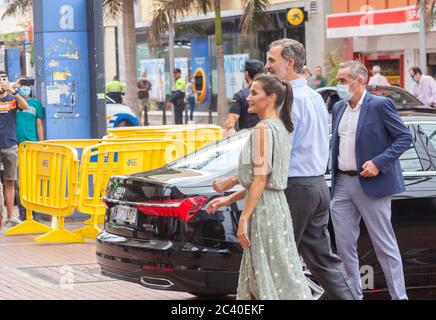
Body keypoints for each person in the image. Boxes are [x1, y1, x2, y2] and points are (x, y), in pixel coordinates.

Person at [213, 39, 357, 300]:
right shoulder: (315, 98)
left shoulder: (285, 104)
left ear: (289, 63)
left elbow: (270, 160)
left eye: (272, 60)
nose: (267, 66)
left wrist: (232, 187)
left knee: (275, 264)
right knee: (320, 259)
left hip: (293, 190)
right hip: (317, 187)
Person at [206, 74, 312, 300]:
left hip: (264, 213)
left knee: (266, 279)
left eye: (254, 93)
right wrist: (227, 198)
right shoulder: (281, 127)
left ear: (271, 98)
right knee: (272, 276)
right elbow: (260, 180)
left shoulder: (263, 129)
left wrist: (243, 218)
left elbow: (261, 179)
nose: (248, 98)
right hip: (275, 208)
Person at [331, 61, 412, 300]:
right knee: (344, 248)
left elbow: (404, 137)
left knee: (384, 246)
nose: (339, 85)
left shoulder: (379, 105)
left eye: (343, 80)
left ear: (360, 81)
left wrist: (379, 162)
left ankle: (399, 297)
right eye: (338, 80)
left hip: (372, 185)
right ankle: (353, 297)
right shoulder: (338, 107)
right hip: (342, 185)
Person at [14, 79, 45, 222]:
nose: (24, 88)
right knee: (19, 181)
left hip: (32, 146)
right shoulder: (14, 101)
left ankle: (35, 213)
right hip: (17, 145)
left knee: (33, 179)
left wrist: (42, 143)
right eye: (22, 86)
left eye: (26, 86)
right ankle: (23, 213)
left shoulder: (36, 104)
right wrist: (14, 88)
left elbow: (39, 125)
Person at [0, 77, 29, 227]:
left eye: (4, 80)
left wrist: (14, 91)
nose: (2, 83)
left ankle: (11, 216)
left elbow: (25, 106)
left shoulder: (12, 98)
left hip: (10, 144)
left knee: (10, 181)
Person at [223, 59, 264, 132]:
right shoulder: (270, 94)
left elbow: (229, 124)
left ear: (246, 73)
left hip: (248, 140)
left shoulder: (239, 95)